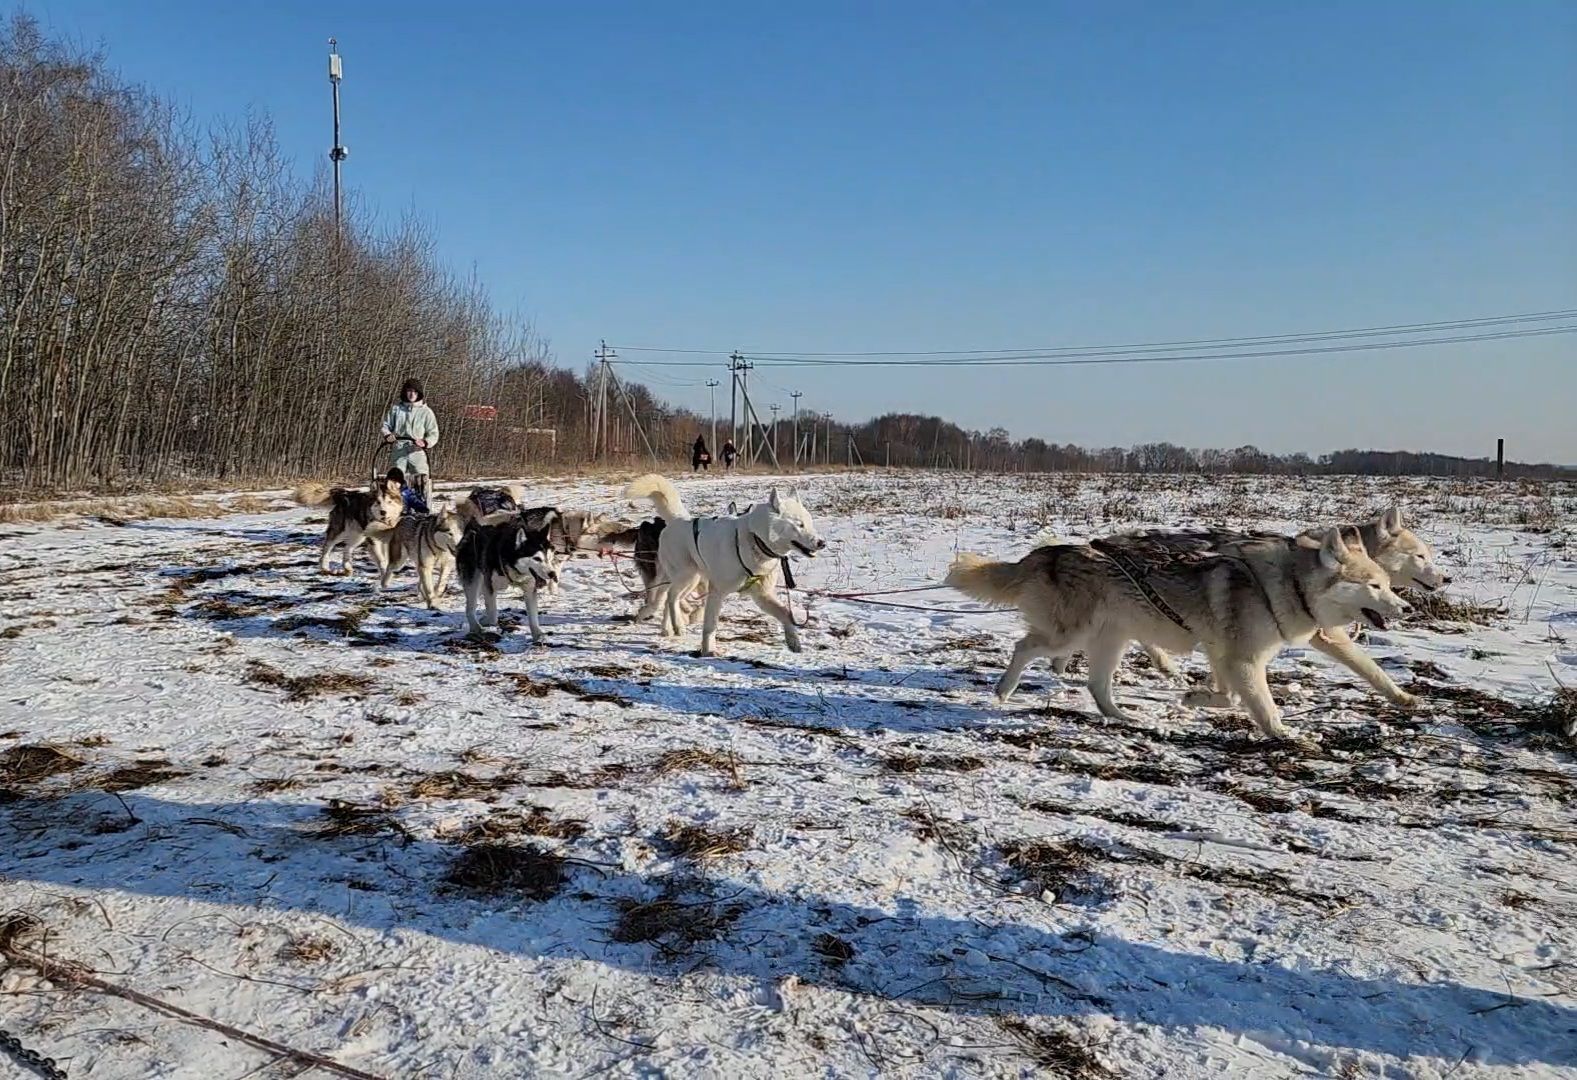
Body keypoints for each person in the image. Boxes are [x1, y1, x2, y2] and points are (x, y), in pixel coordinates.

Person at [381, 378, 439, 501]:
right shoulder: (396, 409)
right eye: (409, 391)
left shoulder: (426, 412)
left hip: (417, 451)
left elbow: (433, 433)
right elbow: (386, 425)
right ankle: (396, 508)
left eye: (415, 392)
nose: (412, 394)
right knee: (394, 481)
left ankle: (423, 509)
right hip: (399, 449)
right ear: (405, 392)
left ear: (419, 394)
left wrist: (425, 442)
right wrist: (388, 435)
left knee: (421, 481)